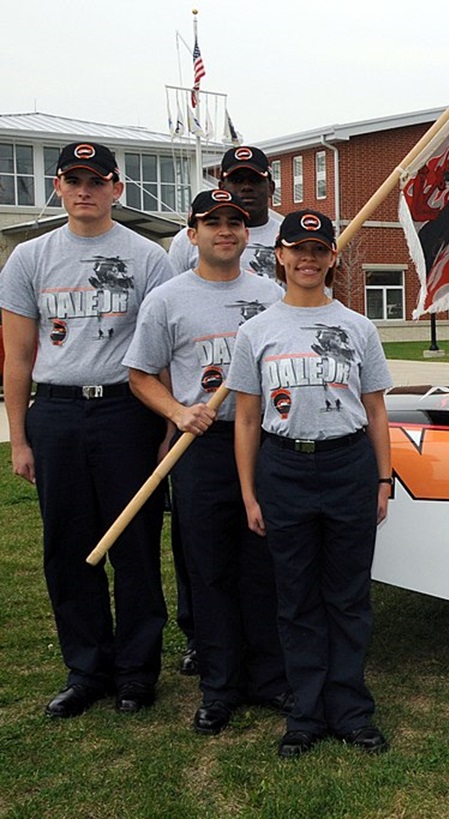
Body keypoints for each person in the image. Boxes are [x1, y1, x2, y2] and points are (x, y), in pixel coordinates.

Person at [0, 142, 175, 717]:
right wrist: (20, 438)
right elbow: (19, 356)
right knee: (67, 545)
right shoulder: (29, 257)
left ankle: (136, 672)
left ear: (116, 189)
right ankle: (86, 669)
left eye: (96, 181)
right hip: (56, 413)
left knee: (135, 542)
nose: (84, 191)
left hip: (126, 411)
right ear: (58, 187)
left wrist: (167, 422)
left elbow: (161, 352)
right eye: (73, 181)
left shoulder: (149, 258)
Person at [228, 210, 393, 758]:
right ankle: (304, 713)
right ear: (279, 254)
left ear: (332, 258)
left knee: (348, 598)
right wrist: (250, 491)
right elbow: (248, 418)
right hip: (284, 469)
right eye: (297, 248)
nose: (308, 259)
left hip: (347, 465)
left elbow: (374, 410)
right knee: (295, 598)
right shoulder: (256, 331)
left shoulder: (357, 327)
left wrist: (383, 478)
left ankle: (350, 710)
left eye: (319, 250)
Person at [124, 189, 289, 735]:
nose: (225, 230)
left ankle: (268, 677)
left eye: (235, 222)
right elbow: (141, 374)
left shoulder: (274, 295)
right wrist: (176, 410)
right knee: (210, 567)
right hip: (200, 446)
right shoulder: (167, 299)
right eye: (212, 222)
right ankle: (219, 686)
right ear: (191, 234)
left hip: (264, 439)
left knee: (261, 564)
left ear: (247, 234)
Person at [169, 146, 281, 280]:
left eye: (255, 180)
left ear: (271, 188)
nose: (246, 187)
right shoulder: (187, 240)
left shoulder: (288, 237)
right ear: (221, 188)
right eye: (237, 181)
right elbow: (172, 291)